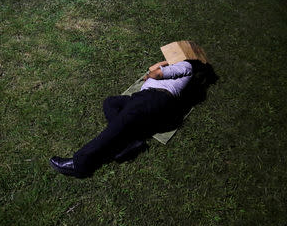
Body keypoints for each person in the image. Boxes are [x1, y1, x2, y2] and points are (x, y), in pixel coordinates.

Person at [50, 59, 217, 178]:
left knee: (118, 126)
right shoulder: (179, 71)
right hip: (145, 99)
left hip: (155, 99)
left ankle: (80, 164)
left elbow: (155, 74)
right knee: (111, 103)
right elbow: (151, 71)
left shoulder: (186, 65)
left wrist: (164, 66)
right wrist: (164, 63)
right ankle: (130, 142)